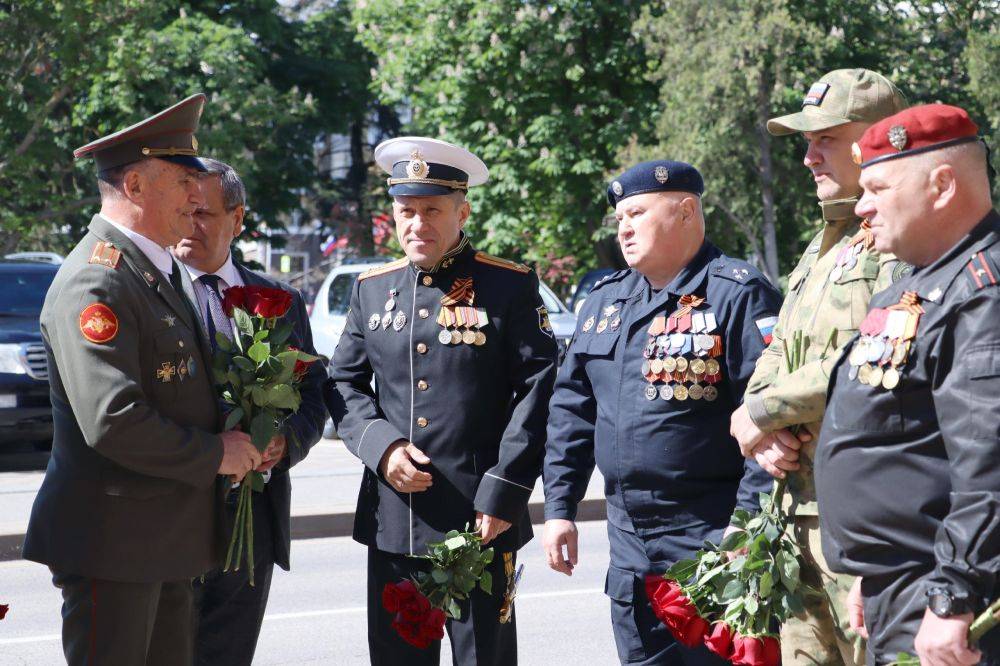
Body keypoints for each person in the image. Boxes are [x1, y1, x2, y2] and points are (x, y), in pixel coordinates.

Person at [22, 94, 261, 665]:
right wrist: (214, 454)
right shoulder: (97, 282)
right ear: (134, 187)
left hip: (160, 541)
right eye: (182, 182)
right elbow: (114, 420)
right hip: (116, 543)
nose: (196, 197)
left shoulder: (146, 269)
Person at [325, 136, 558, 665]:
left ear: (463, 210)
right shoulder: (371, 289)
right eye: (406, 210)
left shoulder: (507, 286)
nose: (417, 223)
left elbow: (540, 389)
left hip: (480, 518)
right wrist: (381, 449)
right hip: (396, 518)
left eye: (432, 210)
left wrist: (504, 491)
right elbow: (342, 384)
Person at [543, 160, 782, 665]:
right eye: (618, 219)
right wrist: (560, 509)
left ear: (685, 211)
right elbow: (572, 413)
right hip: (629, 543)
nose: (623, 228)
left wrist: (746, 527)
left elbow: (772, 422)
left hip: (712, 537)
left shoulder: (736, 293)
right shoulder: (603, 303)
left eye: (636, 213)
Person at [729, 68, 907, 665]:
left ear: (874, 138)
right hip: (797, 512)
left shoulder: (900, 237)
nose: (808, 158)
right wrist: (760, 430)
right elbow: (780, 346)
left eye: (823, 140)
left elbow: (872, 354)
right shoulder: (825, 239)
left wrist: (762, 413)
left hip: (863, 520)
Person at [815, 103, 1000, 665]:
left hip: (948, 593)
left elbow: (988, 464)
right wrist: (870, 570)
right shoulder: (920, 285)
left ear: (942, 184)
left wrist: (953, 595)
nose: (862, 205)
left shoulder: (982, 293)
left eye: (877, 187)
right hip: (903, 585)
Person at [172, 158, 326, 666]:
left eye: (203, 213)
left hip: (251, 527)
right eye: (183, 210)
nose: (188, 224)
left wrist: (283, 443)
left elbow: (312, 396)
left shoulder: (279, 300)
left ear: (237, 220)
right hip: (173, 521)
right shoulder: (152, 293)